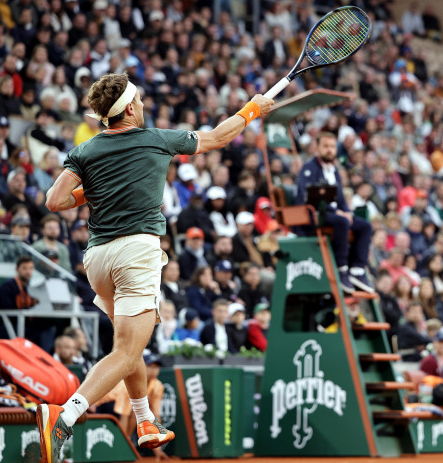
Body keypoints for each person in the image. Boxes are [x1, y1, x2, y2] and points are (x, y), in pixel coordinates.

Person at [40, 71, 273, 461]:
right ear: (130, 107)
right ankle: (66, 415)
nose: (145, 105)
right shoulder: (156, 139)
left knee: (127, 346)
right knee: (129, 351)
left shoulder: (87, 149)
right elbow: (216, 136)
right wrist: (253, 110)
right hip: (136, 252)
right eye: (141, 100)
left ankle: (146, 421)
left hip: (97, 259)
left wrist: (97, 189)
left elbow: (54, 201)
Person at [295, 132, 373, 294]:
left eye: (332, 146)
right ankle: (341, 267)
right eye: (326, 146)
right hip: (315, 215)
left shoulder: (335, 171)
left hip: (333, 214)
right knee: (342, 221)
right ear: (318, 148)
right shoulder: (309, 169)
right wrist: (338, 212)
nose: (329, 150)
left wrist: (347, 211)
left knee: (364, 226)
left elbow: (341, 197)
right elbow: (310, 197)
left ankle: (357, 270)